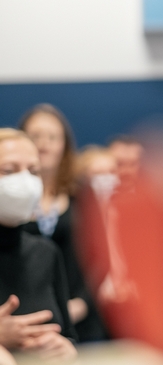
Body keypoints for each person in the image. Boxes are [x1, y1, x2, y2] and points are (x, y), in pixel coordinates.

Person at [19, 104, 108, 343]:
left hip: (83, 320)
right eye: (35, 136)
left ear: (65, 146)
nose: (44, 143)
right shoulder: (10, 199)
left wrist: (82, 303)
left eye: (52, 137)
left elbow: (102, 259)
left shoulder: (85, 199)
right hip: (27, 323)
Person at [0, 128, 77, 362]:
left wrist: (67, 350)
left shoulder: (45, 253)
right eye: (8, 170)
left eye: (34, 171)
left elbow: (69, 336)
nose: (25, 181)